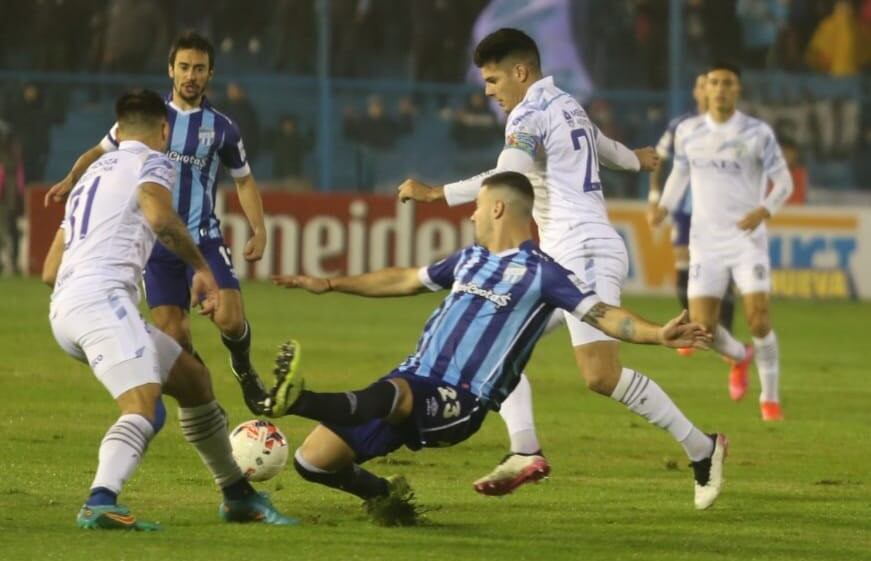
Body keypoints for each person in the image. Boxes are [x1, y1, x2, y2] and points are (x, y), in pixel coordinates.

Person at [267, 172, 725, 526]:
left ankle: (297, 400)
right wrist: (330, 283)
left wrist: (657, 333)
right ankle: (384, 495)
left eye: (478, 207)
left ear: (499, 209)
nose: (472, 215)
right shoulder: (469, 259)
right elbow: (406, 278)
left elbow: (604, 315)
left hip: (459, 399)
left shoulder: (544, 274)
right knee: (314, 462)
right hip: (411, 376)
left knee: (395, 393)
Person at [397, 29, 711, 500]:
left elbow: (506, 178)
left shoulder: (527, 114)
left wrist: (435, 193)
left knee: (601, 376)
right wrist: (634, 159)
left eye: (493, 79)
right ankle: (525, 449)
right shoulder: (567, 103)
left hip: (582, 248)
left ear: (520, 72)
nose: (488, 91)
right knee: (496, 340)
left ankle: (703, 447)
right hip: (564, 252)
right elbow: (601, 144)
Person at [41, 90, 296, 530]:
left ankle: (236, 494)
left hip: (67, 306)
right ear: (163, 131)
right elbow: (160, 218)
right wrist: (202, 269)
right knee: (144, 405)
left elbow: (48, 269)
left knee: (194, 381)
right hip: (102, 304)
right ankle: (100, 500)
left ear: (117, 131)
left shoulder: (89, 175)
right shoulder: (154, 162)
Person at [45, 32, 270, 415]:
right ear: (171, 70)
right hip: (156, 247)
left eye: (199, 68)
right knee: (174, 337)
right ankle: (201, 388)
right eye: (184, 67)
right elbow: (98, 152)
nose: (191, 75)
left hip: (202, 238)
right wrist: (70, 180)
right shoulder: (148, 119)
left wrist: (259, 228)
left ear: (210, 73)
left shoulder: (222, 128)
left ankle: (244, 369)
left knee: (231, 319)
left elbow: (243, 179)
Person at [652, 61, 793, 422]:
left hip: (747, 240)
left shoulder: (757, 133)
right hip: (706, 243)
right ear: (706, 88)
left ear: (737, 89)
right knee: (702, 330)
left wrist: (764, 210)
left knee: (759, 319)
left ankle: (770, 397)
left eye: (727, 83)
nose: (720, 89)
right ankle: (740, 356)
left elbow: (784, 182)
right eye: (714, 82)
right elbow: (679, 173)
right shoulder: (688, 131)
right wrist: (664, 207)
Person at [647, 73, 736, 357]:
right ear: (698, 93)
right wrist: (655, 200)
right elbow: (658, 159)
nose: (706, 90)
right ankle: (691, 329)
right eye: (701, 85)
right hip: (687, 211)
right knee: (684, 269)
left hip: (722, 212)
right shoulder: (682, 127)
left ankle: (725, 336)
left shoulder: (734, 128)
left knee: (725, 275)